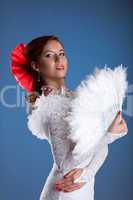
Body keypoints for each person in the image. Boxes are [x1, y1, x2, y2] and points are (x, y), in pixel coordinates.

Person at [10, 35, 128, 200]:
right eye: (49, 55)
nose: (59, 59)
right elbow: (65, 165)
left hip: (82, 189)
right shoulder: (48, 105)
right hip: (62, 193)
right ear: (36, 66)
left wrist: (88, 173)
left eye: (62, 53)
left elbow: (100, 149)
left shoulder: (74, 98)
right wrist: (107, 135)